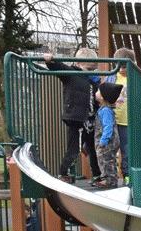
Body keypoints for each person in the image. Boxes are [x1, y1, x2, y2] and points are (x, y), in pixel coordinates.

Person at [44, 49, 102, 183]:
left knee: (93, 148)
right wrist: (50, 61)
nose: (91, 72)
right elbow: (58, 68)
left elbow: (96, 97)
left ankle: (98, 174)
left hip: (90, 120)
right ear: (78, 63)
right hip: (77, 118)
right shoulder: (71, 74)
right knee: (74, 147)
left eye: (93, 69)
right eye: (89, 68)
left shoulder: (92, 80)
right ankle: (64, 173)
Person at [111, 47, 137, 181]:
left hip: (128, 120)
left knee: (126, 150)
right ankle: (111, 174)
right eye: (118, 66)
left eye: (123, 66)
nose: (121, 69)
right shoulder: (113, 77)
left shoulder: (135, 78)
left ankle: (127, 175)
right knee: (111, 148)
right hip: (114, 119)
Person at [91, 82, 121, 188]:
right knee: (106, 159)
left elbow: (108, 127)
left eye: (99, 91)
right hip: (106, 140)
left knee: (106, 159)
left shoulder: (106, 111)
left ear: (103, 97)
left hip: (107, 141)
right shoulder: (104, 109)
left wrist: (104, 140)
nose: (96, 92)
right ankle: (108, 178)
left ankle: (110, 180)